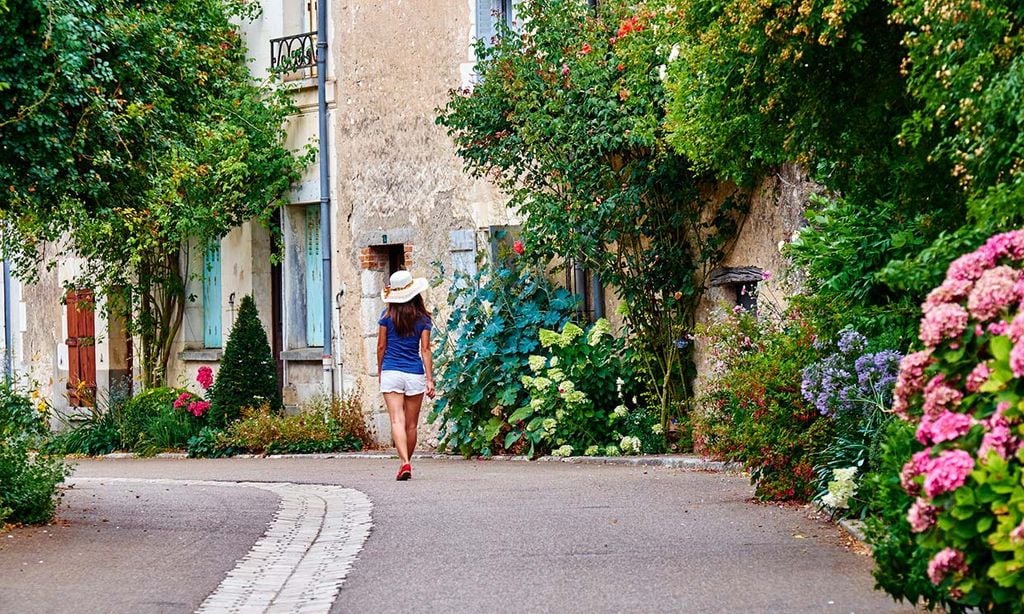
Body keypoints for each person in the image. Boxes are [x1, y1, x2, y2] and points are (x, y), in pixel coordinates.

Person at [377, 270, 434, 481]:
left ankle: (405, 463)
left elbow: (381, 346)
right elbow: (425, 350)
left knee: (396, 420)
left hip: (391, 370)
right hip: (415, 374)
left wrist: (380, 371)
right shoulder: (423, 319)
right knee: (411, 424)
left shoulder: (385, 318)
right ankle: (406, 463)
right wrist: (430, 379)